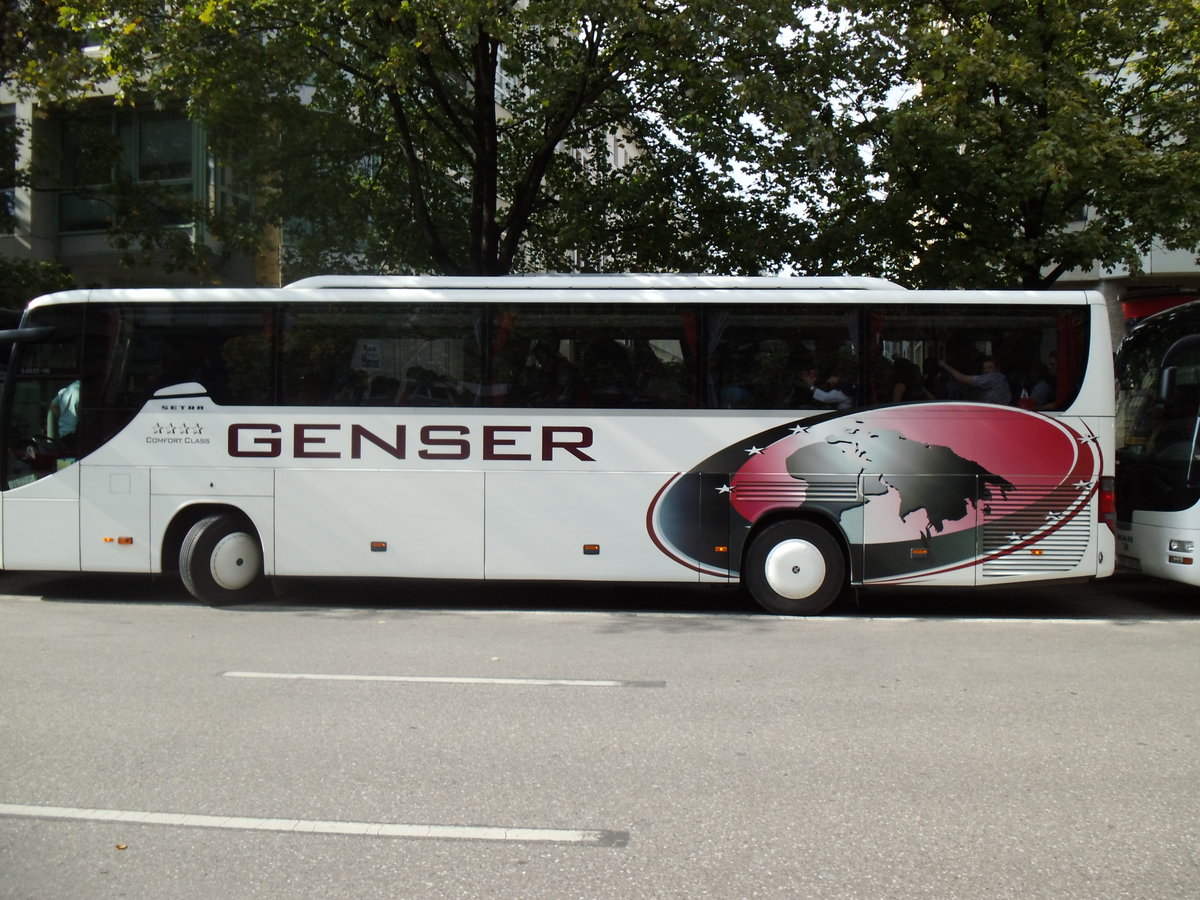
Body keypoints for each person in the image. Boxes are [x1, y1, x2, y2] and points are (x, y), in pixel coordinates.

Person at [940, 357, 1012, 404]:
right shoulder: (1001, 378)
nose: (986, 371)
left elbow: (962, 378)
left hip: (994, 412)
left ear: (998, 369)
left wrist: (946, 366)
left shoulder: (994, 377)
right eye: (984, 368)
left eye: (990, 368)